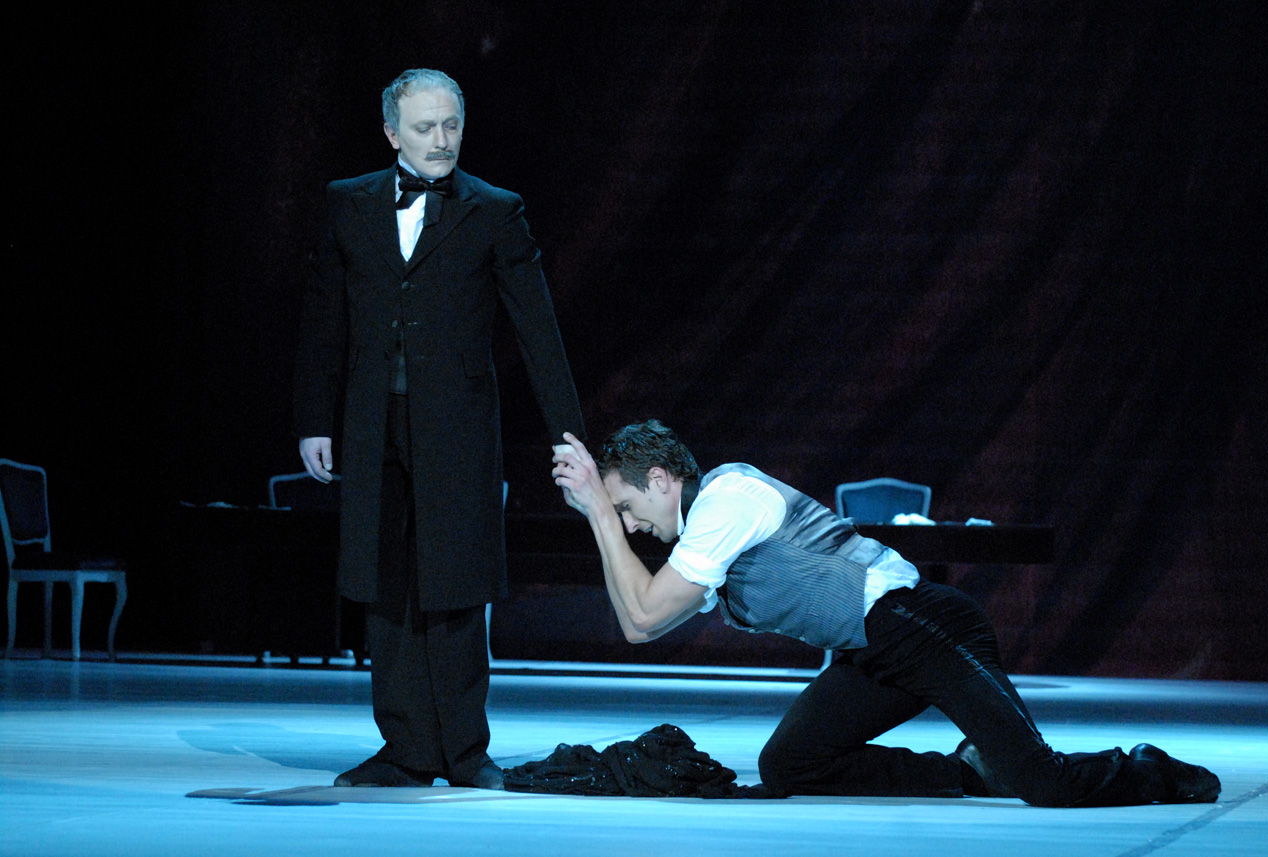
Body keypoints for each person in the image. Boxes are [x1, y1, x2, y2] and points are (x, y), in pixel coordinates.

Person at [550, 420, 1221, 805]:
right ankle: (968, 769)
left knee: (1044, 783)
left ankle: (1146, 767)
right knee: (790, 765)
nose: (630, 526)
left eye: (629, 508)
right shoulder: (704, 541)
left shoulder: (725, 499)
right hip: (874, 652)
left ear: (661, 480)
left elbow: (642, 610)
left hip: (924, 626)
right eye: (620, 516)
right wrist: (601, 514)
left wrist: (598, 513)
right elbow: (638, 623)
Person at [294, 68, 585, 789]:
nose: (442, 139)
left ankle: (463, 751)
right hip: (371, 425)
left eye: (451, 124)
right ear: (391, 132)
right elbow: (325, 319)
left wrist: (568, 433)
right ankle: (405, 749)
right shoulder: (348, 202)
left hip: (457, 427)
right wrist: (313, 420)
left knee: (456, 579)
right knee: (384, 578)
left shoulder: (494, 210)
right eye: (425, 127)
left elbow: (537, 329)